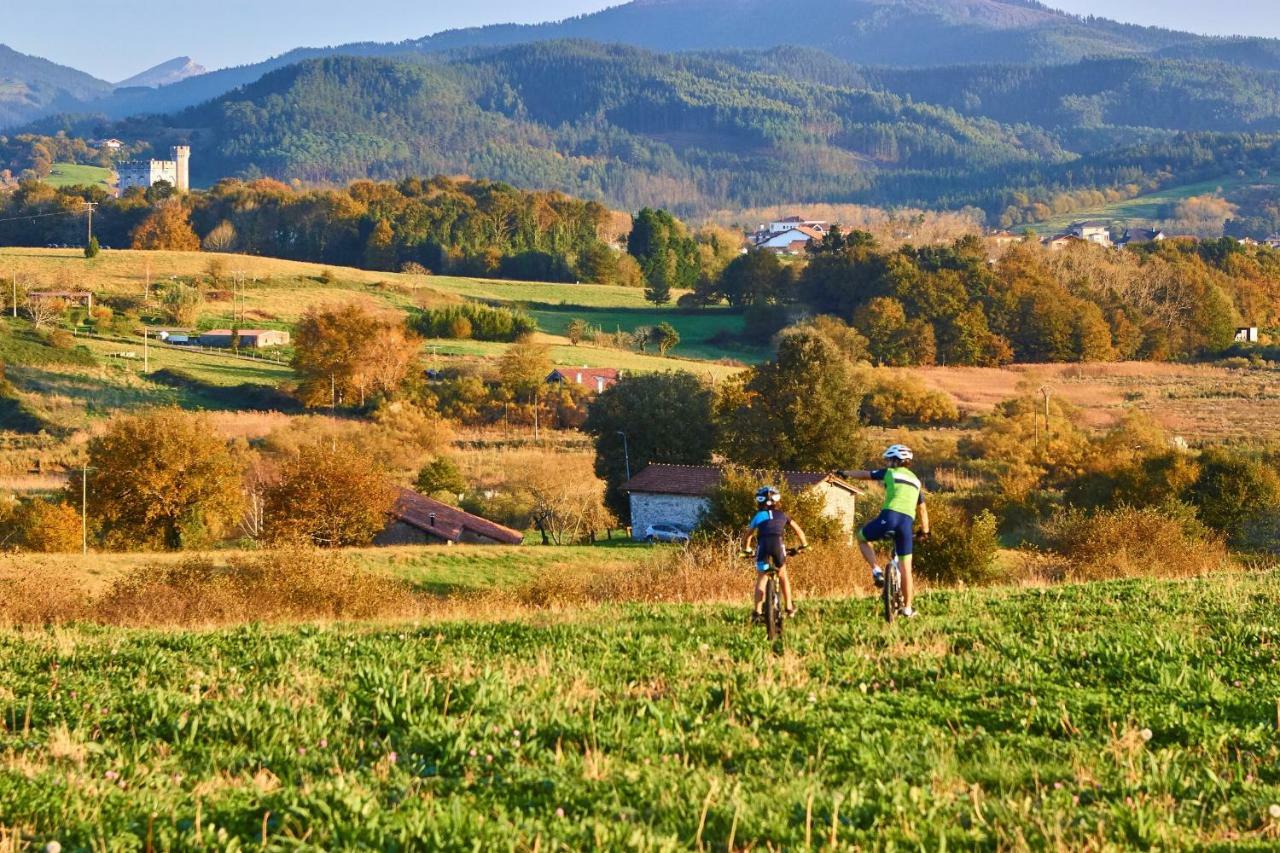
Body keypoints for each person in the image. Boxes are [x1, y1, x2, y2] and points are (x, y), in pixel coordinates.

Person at [838, 445, 931, 618]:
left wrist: (845, 473)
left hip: (889, 517)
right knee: (906, 569)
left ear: (897, 461)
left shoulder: (890, 473)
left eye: (890, 460)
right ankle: (908, 609)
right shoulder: (917, 482)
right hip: (906, 523)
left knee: (862, 537)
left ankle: (877, 571)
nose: (888, 463)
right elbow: (923, 510)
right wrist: (925, 531)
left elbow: (866, 474)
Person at [741, 485, 808, 622]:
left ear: (759, 502)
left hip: (763, 545)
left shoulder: (758, 516)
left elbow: (748, 536)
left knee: (762, 577)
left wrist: (746, 549)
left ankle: (757, 613)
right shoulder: (783, 515)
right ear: (778, 501)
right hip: (778, 544)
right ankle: (789, 607)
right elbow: (799, 531)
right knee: (783, 574)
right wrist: (804, 545)